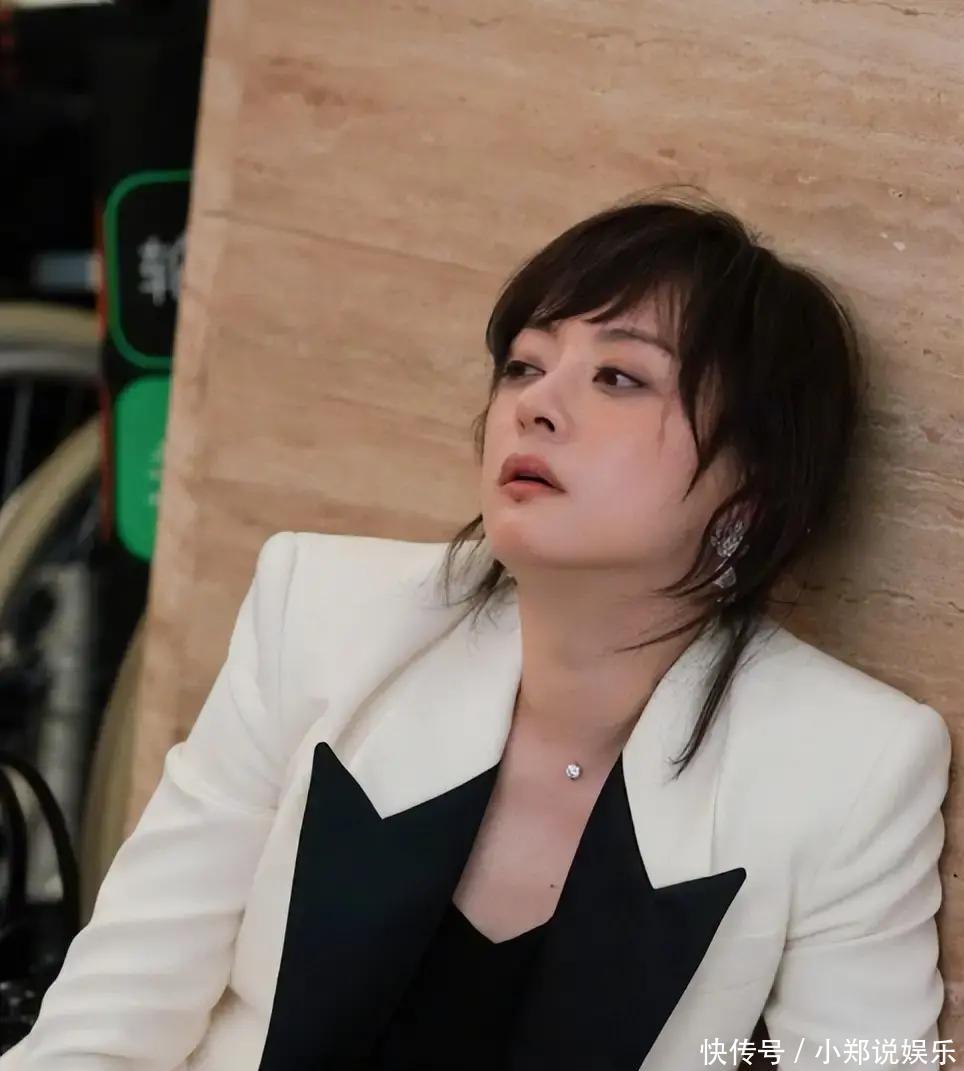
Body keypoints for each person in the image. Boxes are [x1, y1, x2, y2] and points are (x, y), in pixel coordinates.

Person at [0, 187, 951, 1070]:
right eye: (524, 365)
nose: (534, 403)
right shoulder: (321, 612)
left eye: (620, 377)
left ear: (749, 496)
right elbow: (111, 1017)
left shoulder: (851, 768)